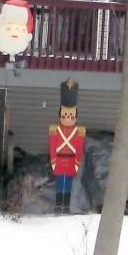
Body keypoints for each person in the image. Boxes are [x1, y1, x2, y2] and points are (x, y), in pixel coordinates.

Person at [49, 78, 86, 214]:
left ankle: (66, 207)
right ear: (60, 115)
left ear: (75, 116)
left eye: (71, 115)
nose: (68, 118)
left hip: (70, 161)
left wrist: (76, 162)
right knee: (60, 184)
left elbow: (79, 148)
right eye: (65, 115)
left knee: (68, 185)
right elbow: (53, 146)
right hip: (59, 160)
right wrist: (53, 161)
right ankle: (59, 206)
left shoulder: (79, 132)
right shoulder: (55, 130)